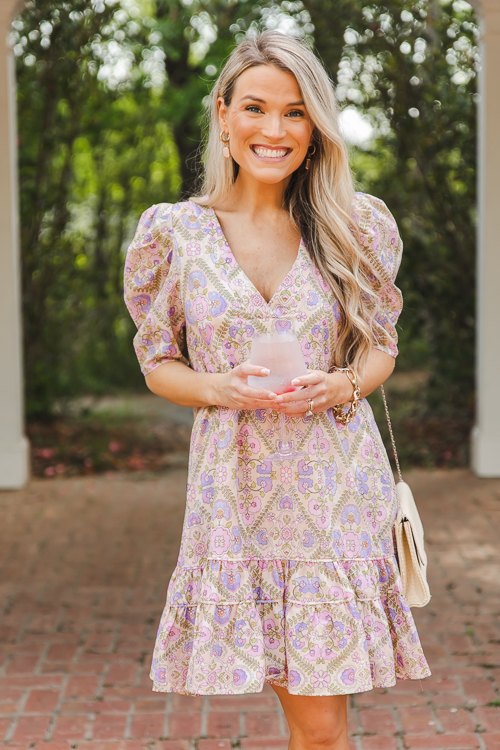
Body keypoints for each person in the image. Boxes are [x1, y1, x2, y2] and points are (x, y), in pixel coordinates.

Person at [124, 30, 430, 750]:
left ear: (315, 126)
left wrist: (341, 384)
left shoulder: (354, 224)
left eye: (296, 113)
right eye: (257, 108)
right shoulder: (176, 235)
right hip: (232, 494)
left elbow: (381, 348)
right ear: (224, 113)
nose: (275, 129)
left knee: (321, 723)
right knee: (309, 722)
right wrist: (218, 388)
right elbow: (157, 362)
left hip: (333, 492)